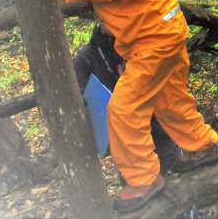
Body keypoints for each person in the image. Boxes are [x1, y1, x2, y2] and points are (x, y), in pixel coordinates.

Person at [0, 0, 218, 212]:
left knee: (124, 111)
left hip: (151, 41)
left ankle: (143, 179)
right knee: (169, 97)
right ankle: (202, 145)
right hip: (167, 27)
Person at [74, 21, 180, 169]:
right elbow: (83, 92)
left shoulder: (140, 42)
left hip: (159, 130)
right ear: (96, 17)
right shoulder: (86, 57)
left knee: (177, 176)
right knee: (137, 181)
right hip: (125, 142)